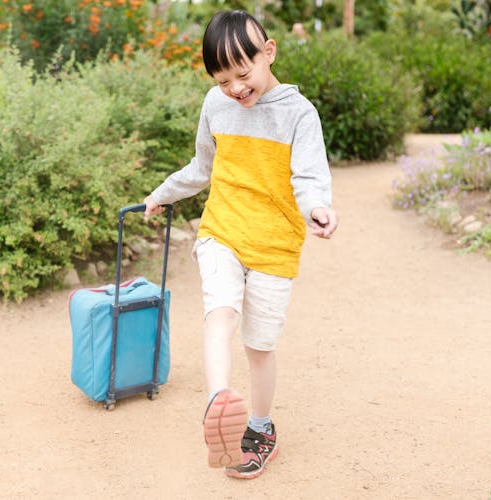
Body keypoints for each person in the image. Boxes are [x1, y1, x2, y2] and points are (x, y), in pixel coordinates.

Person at [143, 10, 338, 479]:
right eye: (222, 78)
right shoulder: (216, 104)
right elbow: (201, 167)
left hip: (274, 243)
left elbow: (309, 177)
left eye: (242, 74)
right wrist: (162, 192)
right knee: (220, 312)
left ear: (268, 52)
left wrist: (318, 209)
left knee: (259, 345)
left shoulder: (299, 113)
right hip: (222, 230)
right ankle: (218, 406)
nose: (234, 88)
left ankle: (259, 426)